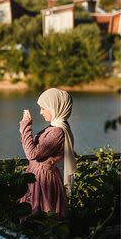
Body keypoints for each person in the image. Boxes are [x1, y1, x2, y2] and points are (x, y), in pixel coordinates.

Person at [19, 88, 76, 218]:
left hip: (42, 180)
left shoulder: (57, 131)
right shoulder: (54, 128)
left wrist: (26, 125)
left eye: (43, 108)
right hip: (38, 175)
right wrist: (25, 130)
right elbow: (31, 148)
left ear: (54, 107)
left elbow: (31, 154)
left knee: (40, 219)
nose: (40, 112)